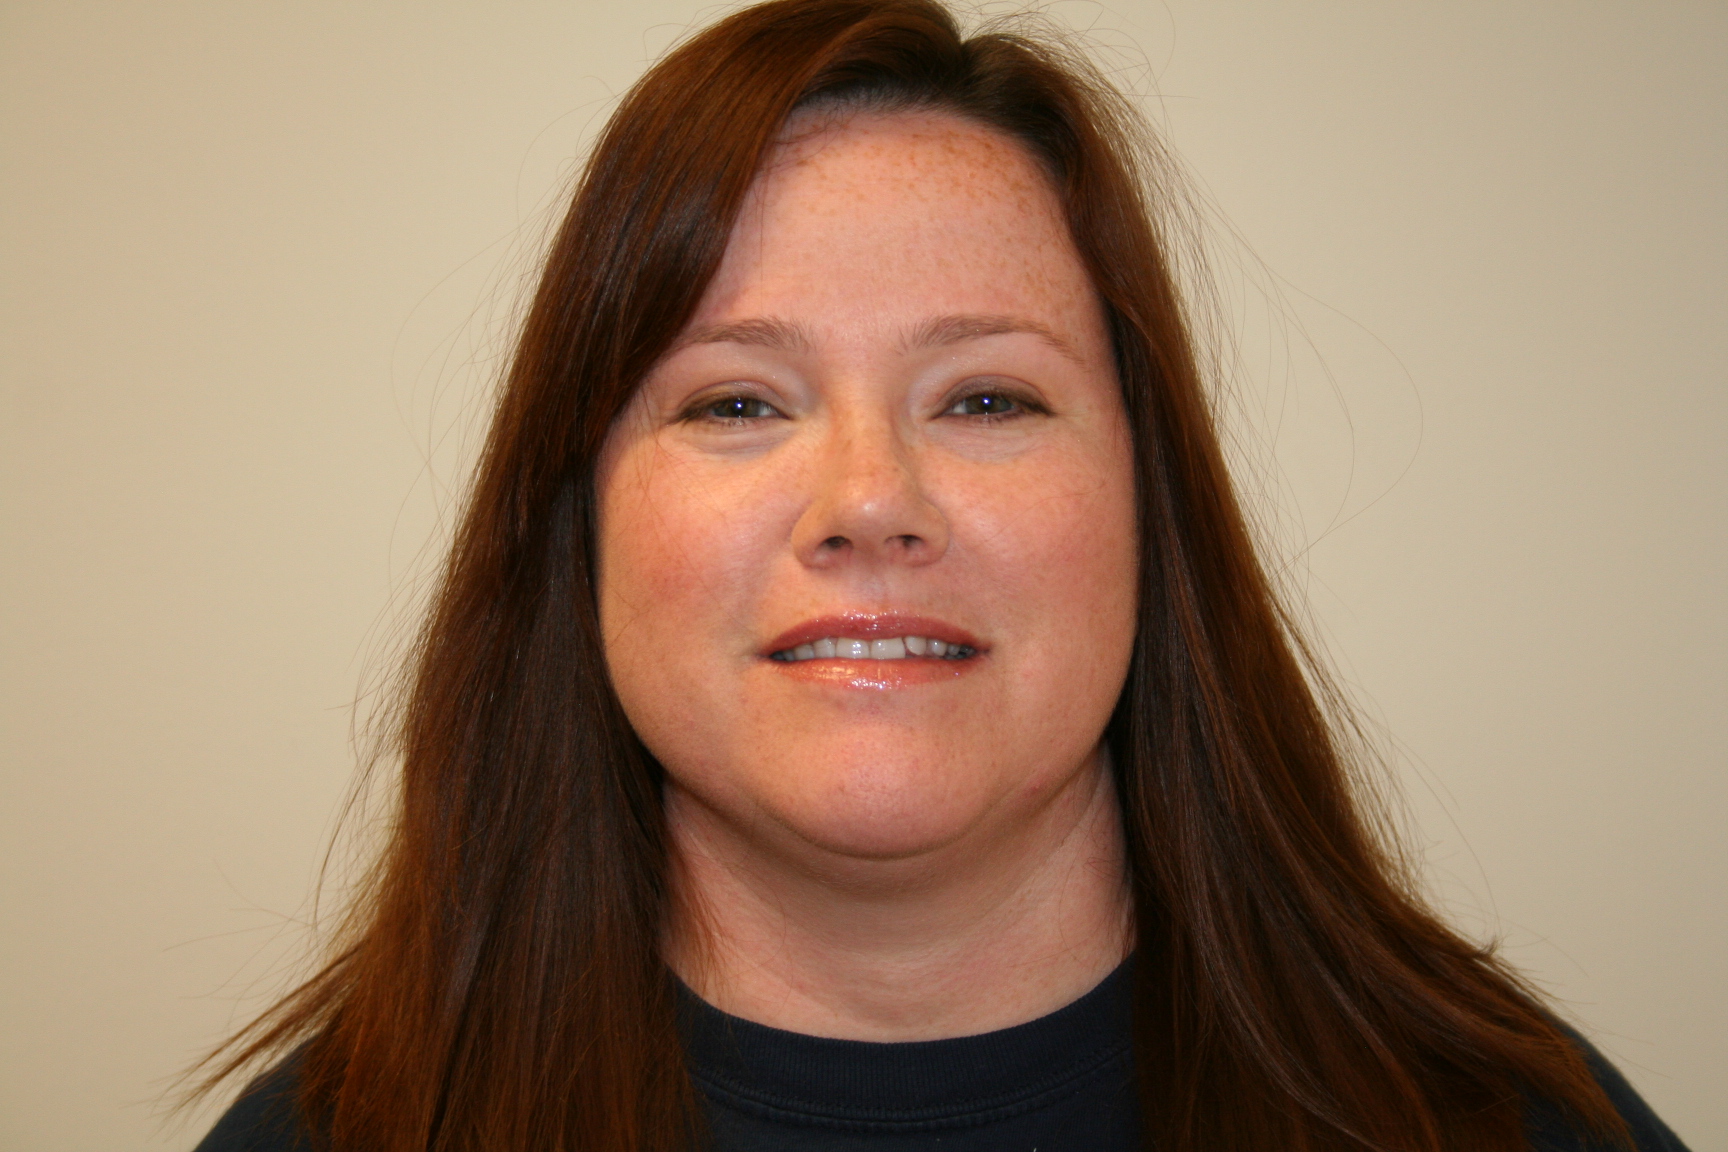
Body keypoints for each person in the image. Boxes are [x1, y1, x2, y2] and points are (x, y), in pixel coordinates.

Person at [190, 1, 1690, 1149]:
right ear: (576, 525)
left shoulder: (1504, 1123)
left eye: (986, 398)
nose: (868, 503)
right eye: (733, 402)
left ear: (1146, 505)